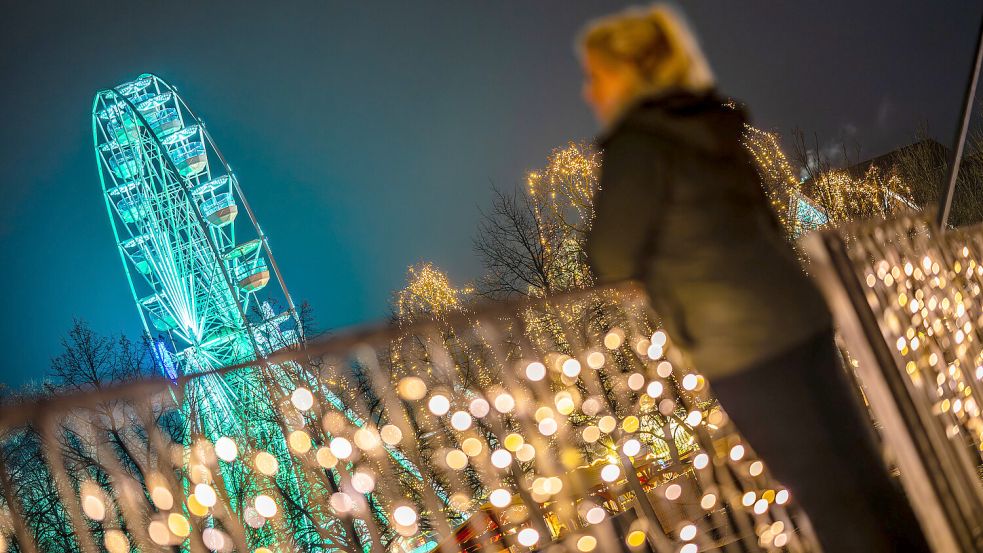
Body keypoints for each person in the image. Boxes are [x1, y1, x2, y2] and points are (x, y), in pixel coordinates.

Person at [579, 6, 931, 552]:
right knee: (863, 477)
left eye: (597, 74)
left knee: (827, 497)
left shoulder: (640, 146)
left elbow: (610, 255)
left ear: (630, 73)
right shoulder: (710, 126)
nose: (588, 90)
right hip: (799, 316)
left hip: (741, 344)